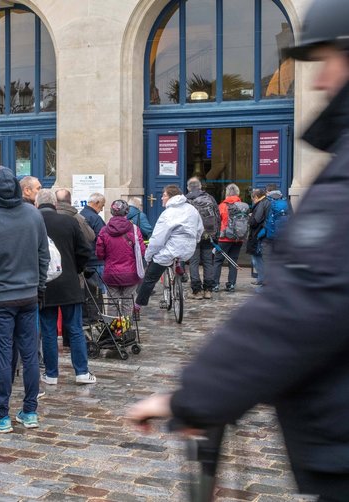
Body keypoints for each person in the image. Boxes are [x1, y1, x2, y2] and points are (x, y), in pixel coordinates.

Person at [127, 3, 349, 498]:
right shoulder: (208, 204)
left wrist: (197, 396)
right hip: (203, 247)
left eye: (332, 60)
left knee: (158, 274)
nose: (318, 81)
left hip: (339, 451)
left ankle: (143, 303)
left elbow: (307, 299)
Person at [0, 166, 49, 433]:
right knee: (29, 355)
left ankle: (1, 414)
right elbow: (43, 255)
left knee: (3, 356)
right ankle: (29, 411)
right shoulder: (33, 214)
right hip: (28, 296)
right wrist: (39, 288)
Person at [37, 189, 95, 386]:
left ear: (37, 204)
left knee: (48, 330)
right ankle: (81, 372)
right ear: (54, 203)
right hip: (69, 282)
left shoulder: (33, 222)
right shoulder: (69, 221)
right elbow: (85, 250)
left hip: (45, 284)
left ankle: (51, 374)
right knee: (75, 329)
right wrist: (75, 268)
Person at [134, 185, 203, 320]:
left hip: (170, 250)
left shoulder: (168, 213)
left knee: (149, 277)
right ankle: (178, 266)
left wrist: (148, 256)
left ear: (171, 197)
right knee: (175, 255)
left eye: (164, 195)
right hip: (188, 249)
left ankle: (137, 307)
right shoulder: (191, 209)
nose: (161, 198)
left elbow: (158, 240)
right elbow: (199, 229)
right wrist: (194, 241)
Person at [96, 199, 146, 317]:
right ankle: (126, 330)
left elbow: (99, 254)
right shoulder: (134, 230)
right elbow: (142, 251)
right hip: (130, 272)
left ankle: (113, 331)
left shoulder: (104, 231)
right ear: (127, 212)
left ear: (112, 212)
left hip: (111, 273)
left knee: (112, 303)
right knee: (128, 302)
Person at [186, 177, 220, 300]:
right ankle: (208, 290)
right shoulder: (210, 198)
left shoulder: (186, 200)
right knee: (208, 262)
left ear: (188, 187)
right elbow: (217, 217)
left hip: (193, 236)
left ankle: (197, 291)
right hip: (208, 235)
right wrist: (216, 235)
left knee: (194, 262)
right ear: (200, 187)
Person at [212, 183, 248, 293]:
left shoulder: (222, 206)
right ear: (238, 193)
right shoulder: (244, 206)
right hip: (239, 238)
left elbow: (217, 222)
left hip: (224, 238)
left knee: (218, 261)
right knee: (233, 261)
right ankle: (231, 284)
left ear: (226, 193)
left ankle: (215, 284)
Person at [246, 188, 268, 287]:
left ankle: (262, 279)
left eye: (252, 198)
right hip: (263, 233)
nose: (252, 200)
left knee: (256, 258)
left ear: (255, 197)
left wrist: (250, 218)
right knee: (259, 257)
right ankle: (261, 279)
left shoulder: (261, 204)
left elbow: (255, 221)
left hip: (257, 234)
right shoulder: (267, 202)